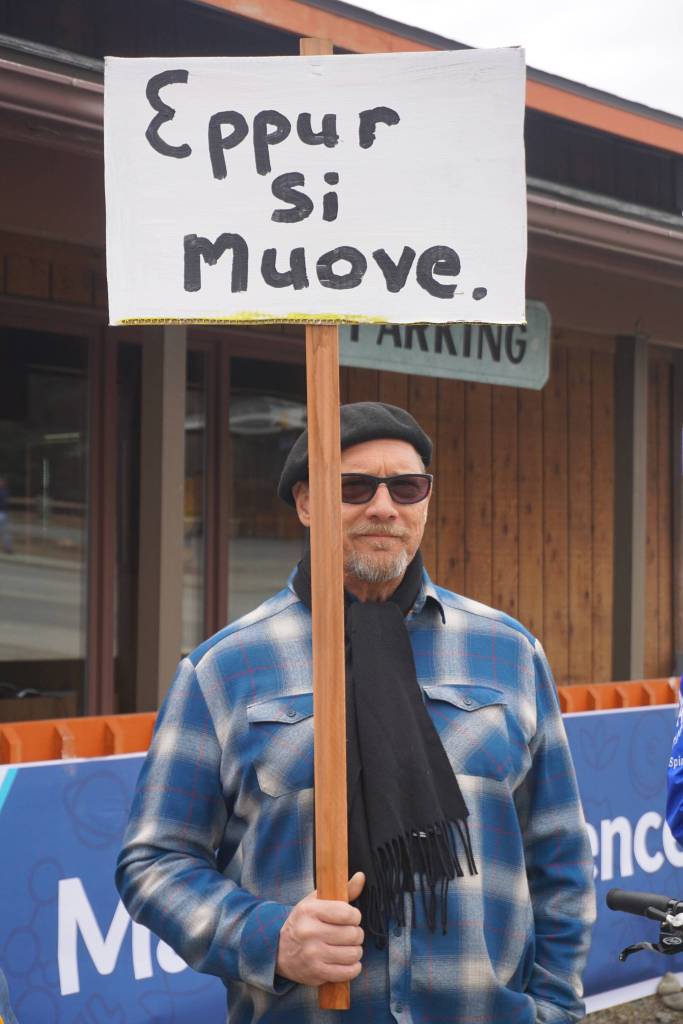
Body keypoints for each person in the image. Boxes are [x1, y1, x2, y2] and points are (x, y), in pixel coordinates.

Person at [116, 401, 595, 1023]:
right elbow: (154, 861)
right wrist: (270, 938)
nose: (383, 506)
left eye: (407, 486)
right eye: (354, 487)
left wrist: (557, 1007)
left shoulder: (508, 653)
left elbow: (559, 852)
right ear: (306, 503)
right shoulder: (225, 670)